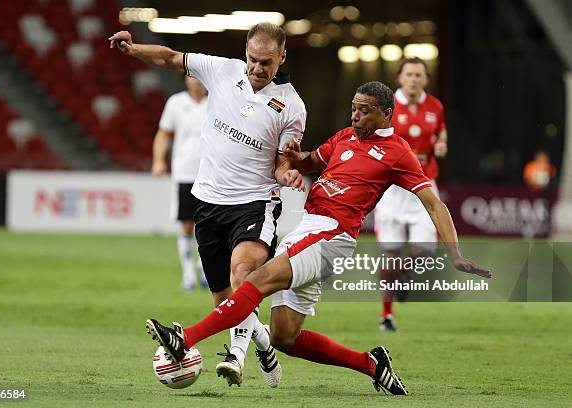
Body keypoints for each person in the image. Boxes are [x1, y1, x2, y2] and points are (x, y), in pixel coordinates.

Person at [145, 81, 492, 396]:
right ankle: (371, 364)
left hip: (333, 234)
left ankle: (185, 338)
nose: (355, 115)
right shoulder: (344, 137)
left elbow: (433, 204)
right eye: (353, 108)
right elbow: (310, 161)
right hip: (309, 227)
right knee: (284, 337)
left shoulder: (398, 153)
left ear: (387, 114)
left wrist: (456, 254)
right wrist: (292, 158)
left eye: (364, 110)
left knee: (256, 279)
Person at [109, 23, 307, 388]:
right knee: (226, 303)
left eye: (266, 62)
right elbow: (171, 58)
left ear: (282, 57)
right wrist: (134, 49)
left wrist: (288, 175)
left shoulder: (292, 105)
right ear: (244, 53)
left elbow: (282, 164)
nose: (257, 68)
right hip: (208, 202)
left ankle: (236, 357)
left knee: (242, 275)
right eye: (252, 59)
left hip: (255, 204)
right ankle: (262, 344)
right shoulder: (222, 70)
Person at [373, 57, 448, 331]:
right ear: (400, 78)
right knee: (389, 253)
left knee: (425, 252)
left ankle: (404, 273)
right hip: (393, 188)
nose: (414, 79)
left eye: (419, 74)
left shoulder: (435, 106)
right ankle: (387, 315)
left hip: (425, 185)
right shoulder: (386, 106)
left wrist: (440, 144)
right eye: (409, 74)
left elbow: (440, 133)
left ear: (425, 79)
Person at [153, 76, 209, 291]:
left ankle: (203, 269)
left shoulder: (216, 103)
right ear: (186, 79)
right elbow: (163, 134)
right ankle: (188, 275)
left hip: (210, 174)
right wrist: (158, 161)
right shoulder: (176, 103)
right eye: (194, 76)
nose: (198, 82)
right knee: (187, 224)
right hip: (184, 171)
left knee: (208, 224)